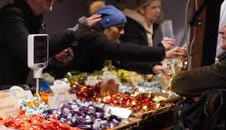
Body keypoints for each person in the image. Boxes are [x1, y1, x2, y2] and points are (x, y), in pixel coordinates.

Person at [52, 5, 187, 76]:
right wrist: (161, 52)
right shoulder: (92, 37)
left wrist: (153, 67)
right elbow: (119, 51)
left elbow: (123, 62)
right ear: (106, 26)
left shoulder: (102, 39)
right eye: (119, 28)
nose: (122, 32)